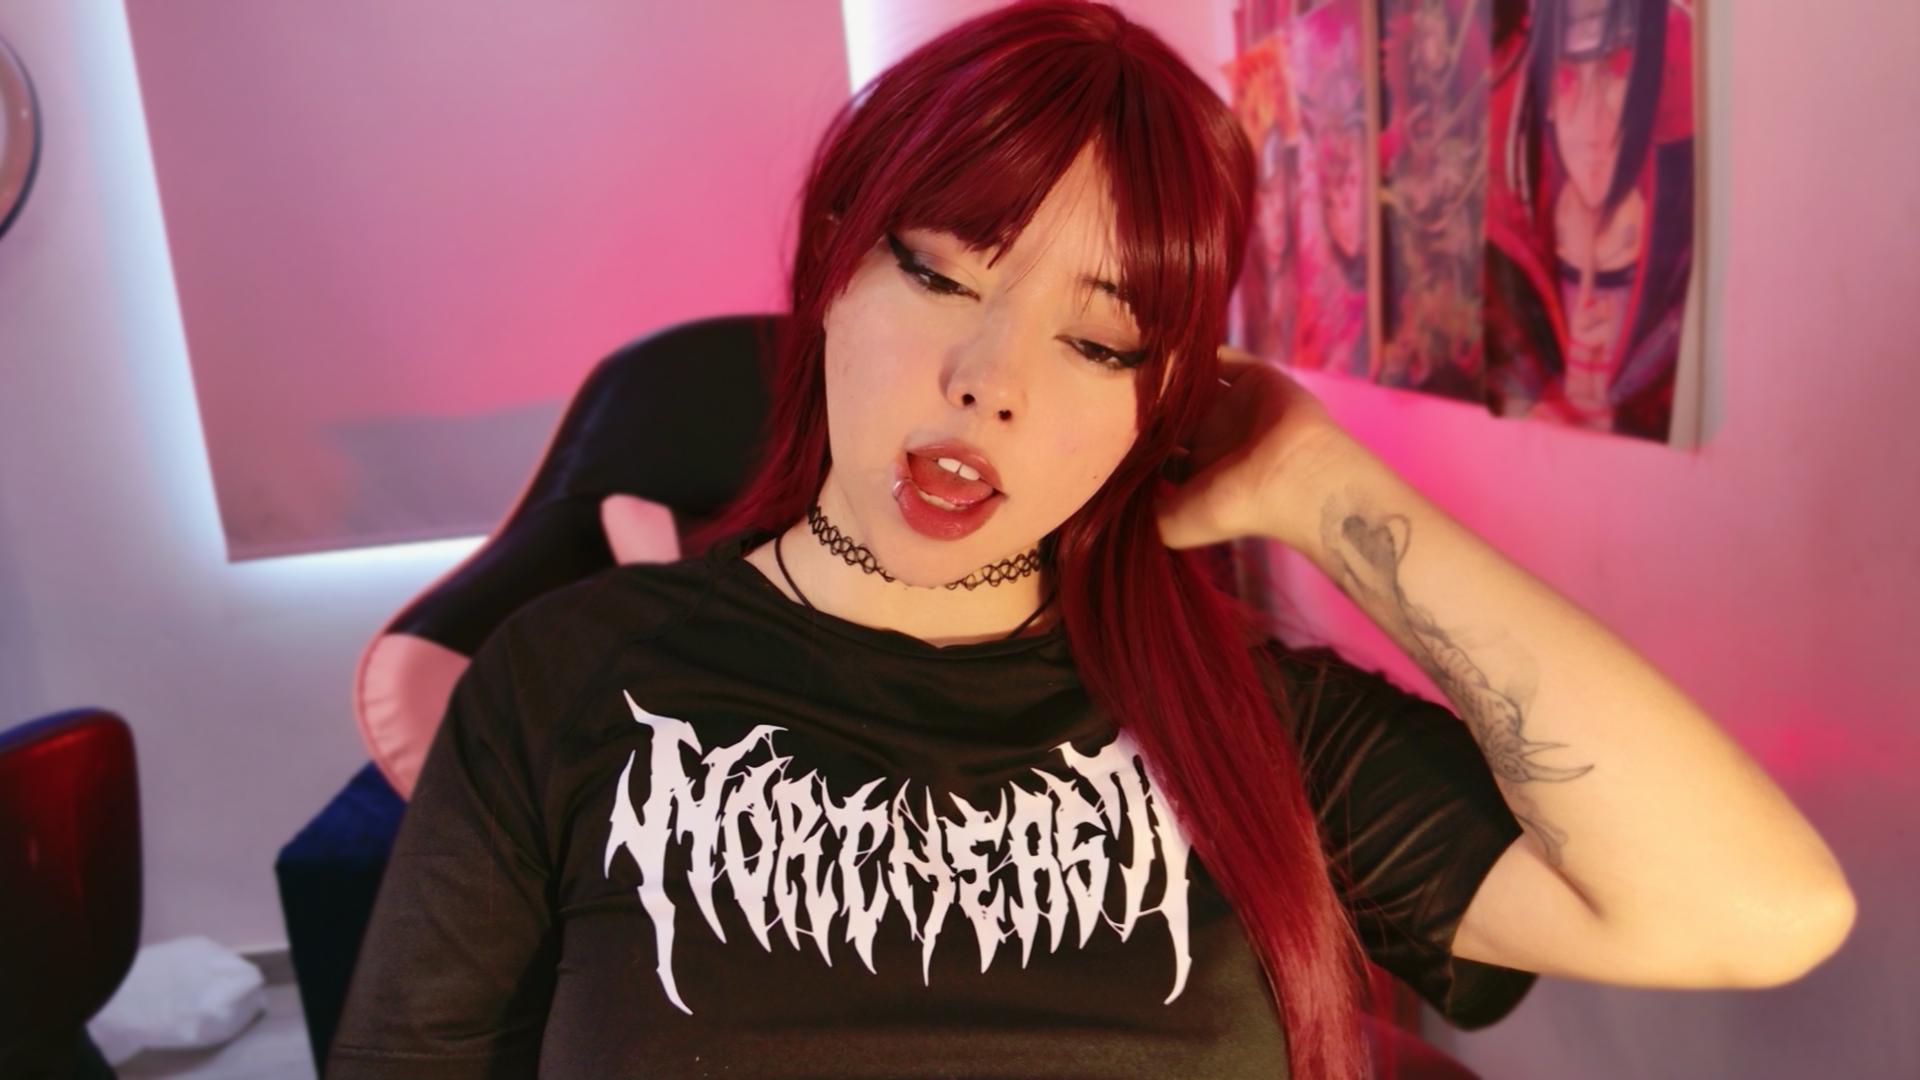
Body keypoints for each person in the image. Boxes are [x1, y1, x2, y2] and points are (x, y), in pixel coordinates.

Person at [328, 3, 1854, 1079]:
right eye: (940, 274)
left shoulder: (1252, 728)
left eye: (1103, 342)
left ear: (1160, 400)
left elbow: (1762, 912)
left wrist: (1330, 493)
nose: (990, 377)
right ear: (833, 270)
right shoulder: (570, 682)